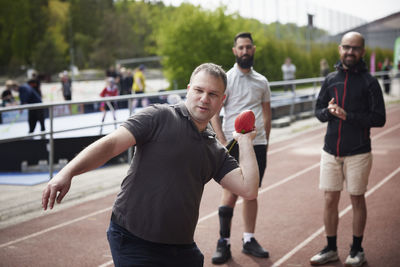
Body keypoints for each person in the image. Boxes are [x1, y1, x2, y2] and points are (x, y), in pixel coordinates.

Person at [41, 63, 261, 267]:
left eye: (213, 94)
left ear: (222, 101)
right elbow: (110, 145)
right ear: (188, 90)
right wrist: (67, 172)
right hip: (133, 239)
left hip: (181, 248)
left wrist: (245, 141)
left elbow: (249, 189)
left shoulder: (214, 150)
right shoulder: (159, 116)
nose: (204, 99)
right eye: (199, 90)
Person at [310, 32, 386, 266]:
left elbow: (379, 118)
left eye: (355, 48)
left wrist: (348, 116)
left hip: (359, 151)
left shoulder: (369, 82)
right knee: (330, 199)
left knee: (356, 199)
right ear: (339, 49)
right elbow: (319, 111)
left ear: (362, 52)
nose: (350, 52)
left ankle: (357, 250)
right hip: (330, 150)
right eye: (346, 47)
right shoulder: (330, 79)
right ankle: (331, 248)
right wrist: (329, 112)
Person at [210, 32, 271, 264]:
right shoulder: (226, 79)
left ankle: (249, 240)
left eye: (248, 47)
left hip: (258, 144)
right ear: (235, 51)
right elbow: (215, 112)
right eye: (241, 48)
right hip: (233, 144)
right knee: (230, 193)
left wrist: (265, 141)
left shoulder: (262, 81)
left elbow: (267, 114)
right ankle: (223, 243)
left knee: (252, 193)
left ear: (253, 49)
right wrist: (222, 139)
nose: (245, 51)